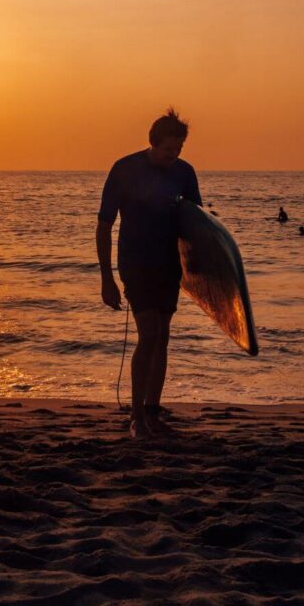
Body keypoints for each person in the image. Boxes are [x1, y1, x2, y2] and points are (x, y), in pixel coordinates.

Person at [97, 108, 202, 440]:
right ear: (153, 143)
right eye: (169, 149)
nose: (174, 156)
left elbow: (195, 223)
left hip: (169, 265)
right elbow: (104, 225)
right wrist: (106, 278)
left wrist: (201, 272)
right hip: (135, 263)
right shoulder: (125, 169)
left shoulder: (184, 173)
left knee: (163, 336)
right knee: (149, 334)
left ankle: (154, 412)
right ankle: (137, 417)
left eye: (179, 149)